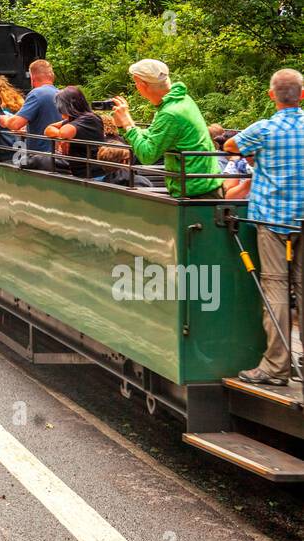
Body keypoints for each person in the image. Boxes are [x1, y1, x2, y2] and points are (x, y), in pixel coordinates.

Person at [224, 68, 304, 386]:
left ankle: (276, 365)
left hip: (273, 219)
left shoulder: (265, 130)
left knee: (275, 287)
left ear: (272, 96)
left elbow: (231, 145)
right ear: (302, 95)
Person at [111, 59, 221, 198]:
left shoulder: (170, 113)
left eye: (135, 83)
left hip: (195, 191)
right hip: (204, 184)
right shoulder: (181, 100)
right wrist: (124, 125)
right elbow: (154, 134)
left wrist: (128, 124)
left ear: (142, 85)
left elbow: (147, 155)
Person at [0, 59, 59, 161]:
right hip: (58, 156)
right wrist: (27, 130)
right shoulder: (60, 93)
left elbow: (15, 124)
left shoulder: (37, 94)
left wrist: (4, 119)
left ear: (32, 78)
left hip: (40, 157)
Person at [44, 87, 104, 179]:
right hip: (81, 173)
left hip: (94, 174)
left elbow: (64, 132)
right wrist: (62, 138)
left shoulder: (90, 118)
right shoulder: (75, 119)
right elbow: (48, 129)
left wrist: (64, 137)